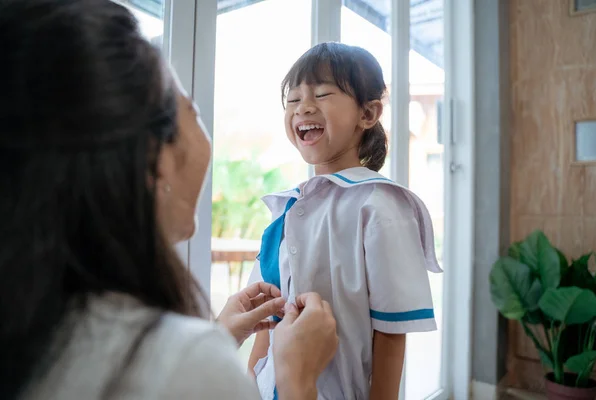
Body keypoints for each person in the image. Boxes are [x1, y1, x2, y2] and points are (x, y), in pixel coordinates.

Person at [0, 1, 338, 399]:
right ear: (154, 158)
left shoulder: (36, 330)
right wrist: (299, 380)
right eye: (192, 113)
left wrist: (219, 335)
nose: (303, 108)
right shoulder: (183, 364)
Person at [247, 42, 444, 399]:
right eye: (293, 100)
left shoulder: (381, 205)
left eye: (321, 94)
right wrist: (249, 384)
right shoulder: (285, 208)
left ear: (367, 114)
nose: (303, 107)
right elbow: (269, 314)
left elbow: (391, 330)